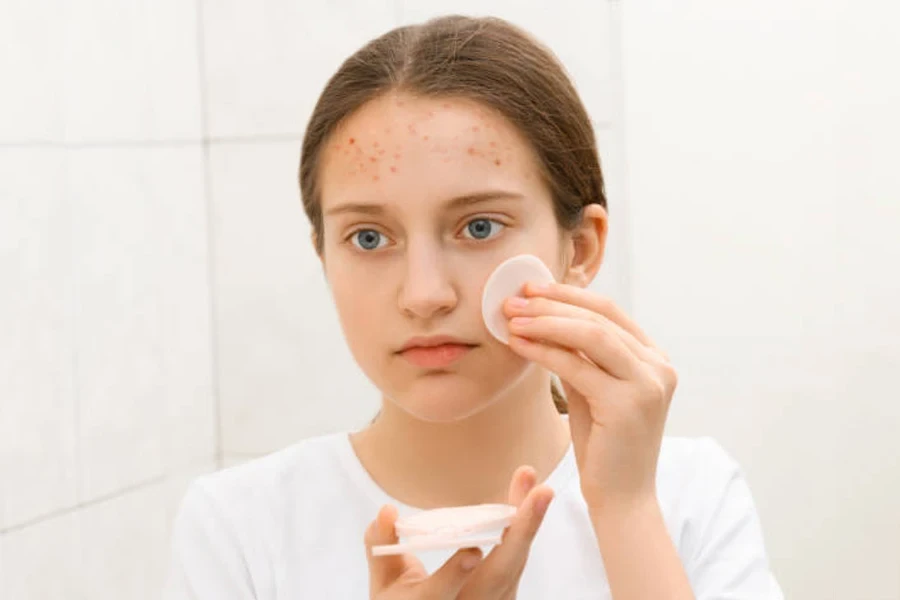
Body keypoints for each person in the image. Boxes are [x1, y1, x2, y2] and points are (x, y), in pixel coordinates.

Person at [164, 15, 783, 599]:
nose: (425, 295)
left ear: (581, 247)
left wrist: (625, 512)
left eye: (479, 227)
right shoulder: (239, 527)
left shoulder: (689, 495)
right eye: (369, 238)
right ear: (325, 255)